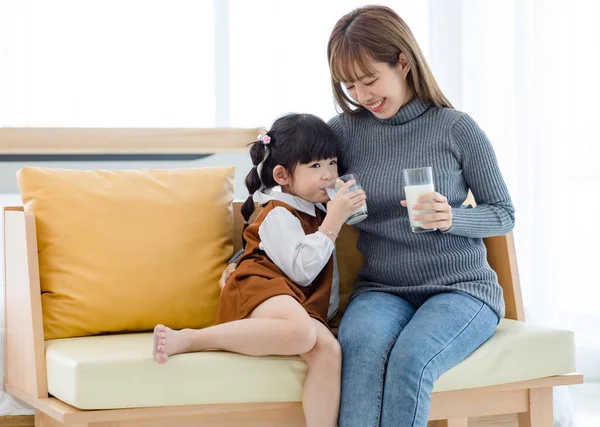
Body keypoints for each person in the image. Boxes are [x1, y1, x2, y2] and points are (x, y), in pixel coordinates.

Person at [222, 5, 515, 427]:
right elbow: (286, 195)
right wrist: (238, 260)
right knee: (357, 353)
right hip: (382, 289)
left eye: (370, 80)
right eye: (350, 85)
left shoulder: (456, 128)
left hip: (460, 289)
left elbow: (503, 214)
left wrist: (452, 218)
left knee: (412, 359)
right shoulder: (342, 133)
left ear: (403, 61)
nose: (362, 96)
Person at [152, 113, 366, 427]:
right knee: (303, 333)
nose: (329, 174)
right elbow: (303, 271)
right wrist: (333, 222)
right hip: (259, 286)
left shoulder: (316, 207)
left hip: (293, 298)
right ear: (282, 174)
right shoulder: (279, 211)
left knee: (329, 351)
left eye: (332, 163)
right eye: (316, 166)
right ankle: (190, 339)